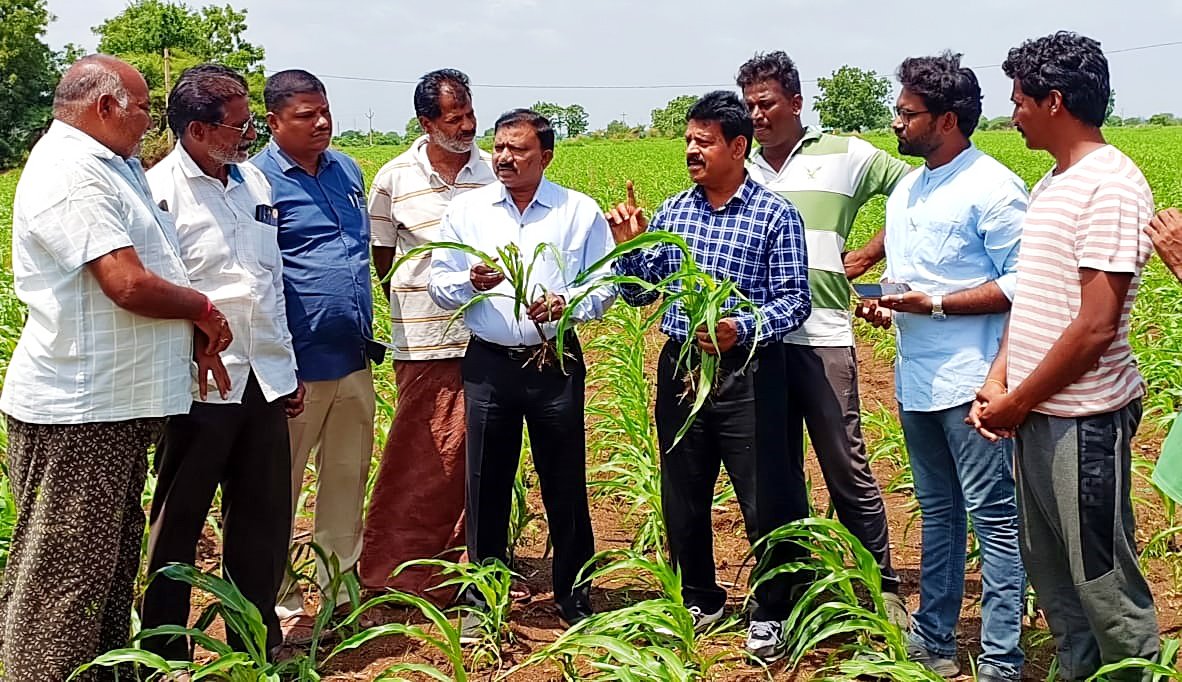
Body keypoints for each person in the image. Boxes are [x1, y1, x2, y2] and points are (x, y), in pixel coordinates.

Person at [0, 55, 232, 679]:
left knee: (103, 573)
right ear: (104, 108)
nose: (150, 123)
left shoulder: (112, 166)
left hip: (115, 406)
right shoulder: (72, 172)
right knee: (62, 586)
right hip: (81, 411)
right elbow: (126, 283)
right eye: (142, 109)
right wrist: (203, 309)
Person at [971, 32, 1160, 681]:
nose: (1012, 112)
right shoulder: (1053, 182)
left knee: (1103, 582)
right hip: (1035, 416)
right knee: (1056, 582)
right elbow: (1037, 304)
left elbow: (1094, 327)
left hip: (1083, 421)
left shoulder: (1110, 185)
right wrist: (1000, 380)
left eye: (1020, 100)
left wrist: (1016, 400)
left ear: (1054, 101)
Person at [608, 91, 811, 661]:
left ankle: (773, 608)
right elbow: (636, 294)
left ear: (738, 147)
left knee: (764, 492)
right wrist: (629, 248)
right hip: (681, 367)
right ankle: (700, 596)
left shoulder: (775, 216)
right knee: (683, 489)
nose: (692, 151)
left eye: (704, 141)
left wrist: (739, 328)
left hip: (748, 370)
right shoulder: (674, 212)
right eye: (688, 140)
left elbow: (796, 301)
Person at [857, 53, 1028, 682]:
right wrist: (891, 305)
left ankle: (1002, 657)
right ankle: (935, 639)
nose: (896, 123)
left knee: (994, 519)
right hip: (917, 379)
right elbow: (915, 281)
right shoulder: (908, 188)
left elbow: (1025, 283)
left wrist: (931, 303)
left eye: (907, 113)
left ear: (948, 119)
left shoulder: (994, 186)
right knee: (938, 512)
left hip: (975, 381)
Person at [736, 50, 909, 621]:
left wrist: (870, 251)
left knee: (844, 461)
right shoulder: (741, 165)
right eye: (749, 106)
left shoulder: (845, 154)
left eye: (766, 104)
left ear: (796, 102)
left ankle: (880, 583)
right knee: (775, 471)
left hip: (824, 333)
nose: (756, 115)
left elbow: (915, 190)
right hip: (757, 342)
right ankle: (794, 583)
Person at [141, 64, 304, 661]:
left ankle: (253, 646)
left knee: (262, 522)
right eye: (239, 125)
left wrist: (284, 369)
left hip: (261, 378)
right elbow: (155, 290)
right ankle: (163, 652)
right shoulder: (157, 194)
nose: (249, 135)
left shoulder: (253, 186)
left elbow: (271, 284)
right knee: (179, 523)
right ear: (198, 130)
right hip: (197, 385)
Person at [428, 108, 614, 629]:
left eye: (518, 150)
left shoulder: (578, 211)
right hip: (489, 363)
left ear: (546, 156)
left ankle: (574, 592)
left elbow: (604, 286)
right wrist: (469, 281)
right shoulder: (468, 212)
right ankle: (482, 595)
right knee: (485, 479)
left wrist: (565, 303)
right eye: (499, 148)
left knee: (563, 477)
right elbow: (438, 286)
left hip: (554, 359)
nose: (504, 158)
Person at [252, 69, 383, 644]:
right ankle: (279, 601)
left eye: (325, 111)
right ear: (274, 122)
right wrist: (278, 364)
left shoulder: (348, 170)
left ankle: (338, 593)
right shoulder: (254, 181)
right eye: (306, 115)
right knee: (277, 486)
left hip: (353, 357)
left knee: (347, 478)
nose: (322, 122)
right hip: (295, 368)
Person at [360, 69, 496, 602]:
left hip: (488, 334)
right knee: (422, 453)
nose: (466, 126)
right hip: (423, 338)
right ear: (426, 122)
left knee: (477, 457)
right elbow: (385, 260)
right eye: (453, 117)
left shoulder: (495, 171)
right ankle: (398, 567)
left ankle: (467, 564)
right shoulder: (394, 179)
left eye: (469, 114)